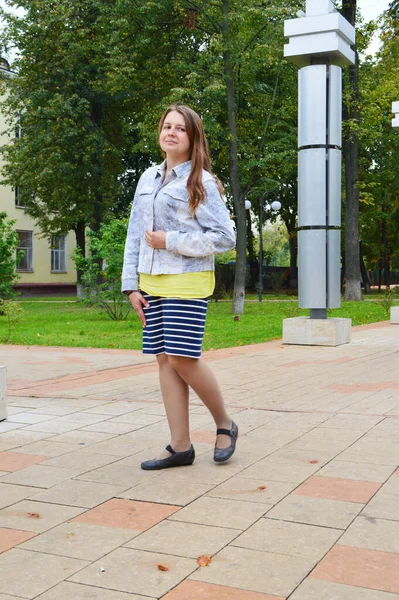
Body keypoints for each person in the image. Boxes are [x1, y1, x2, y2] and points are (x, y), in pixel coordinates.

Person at [122, 103, 238, 470]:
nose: (171, 132)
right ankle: (180, 446)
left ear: (192, 138)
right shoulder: (147, 179)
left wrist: (171, 240)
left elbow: (225, 238)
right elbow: (134, 236)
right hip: (150, 281)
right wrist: (131, 286)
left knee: (182, 358)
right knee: (164, 362)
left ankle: (225, 423)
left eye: (180, 129)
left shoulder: (200, 181)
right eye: (166, 126)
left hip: (187, 280)